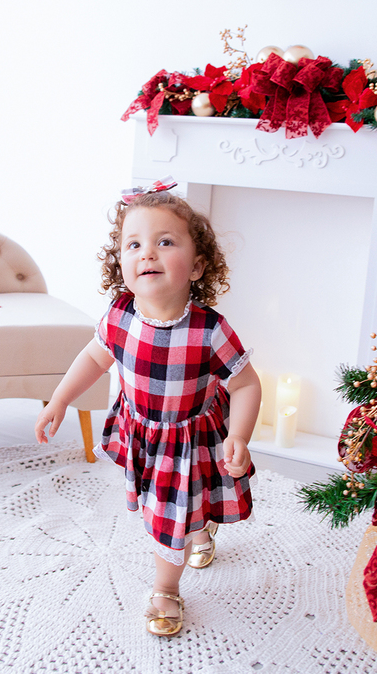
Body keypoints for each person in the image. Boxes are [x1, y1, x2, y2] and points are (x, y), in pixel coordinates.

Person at [34, 179, 261, 638]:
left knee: (169, 516)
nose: (148, 253)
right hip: (143, 434)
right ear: (120, 261)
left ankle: (165, 589)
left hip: (189, 441)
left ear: (197, 266)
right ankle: (200, 532)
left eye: (165, 242)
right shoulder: (118, 316)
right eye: (134, 243)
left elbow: (247, 384)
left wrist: (239, 435)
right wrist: (60, 398)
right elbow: (95, 359)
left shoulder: (209, 330)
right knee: (177, 509)